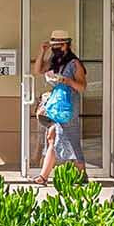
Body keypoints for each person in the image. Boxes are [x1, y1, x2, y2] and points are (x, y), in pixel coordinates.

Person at [36, 29, 87, 175]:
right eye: (53, 46)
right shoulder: (54, 61)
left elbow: (82, 86)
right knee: (52, 136)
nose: (55, 49)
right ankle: (43, 176)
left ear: (65, 45)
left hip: (68, 105)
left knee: (70, 138)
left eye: (57, 46)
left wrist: (67, 81)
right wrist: (43, 52)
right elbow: (38, 70)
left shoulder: (74, 63)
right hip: (55, 104)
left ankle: (81, 173)